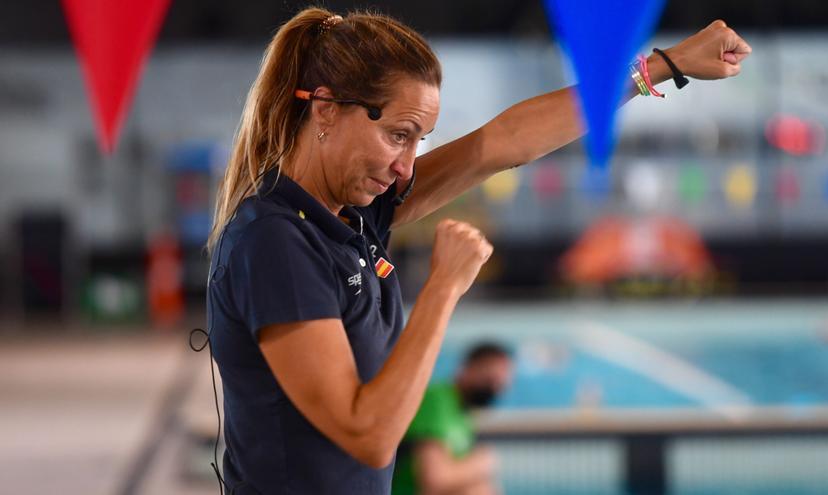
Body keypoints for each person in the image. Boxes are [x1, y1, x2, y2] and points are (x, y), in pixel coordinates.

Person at [205, 6, 751, 494]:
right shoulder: (274, 241)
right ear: (325, 109)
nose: (408, 166)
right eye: (398, 134)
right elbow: (367, 435)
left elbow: (502, 143)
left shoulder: (351, 216)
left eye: (420, 140)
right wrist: (443, 288)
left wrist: (662, 65)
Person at [392, 342, 513, 495]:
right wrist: (480, 463)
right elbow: (435, 478)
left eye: (501, 382)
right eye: (490, 378)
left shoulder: (463, 415)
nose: (495, 388)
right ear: (468, 369)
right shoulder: (437, 400)